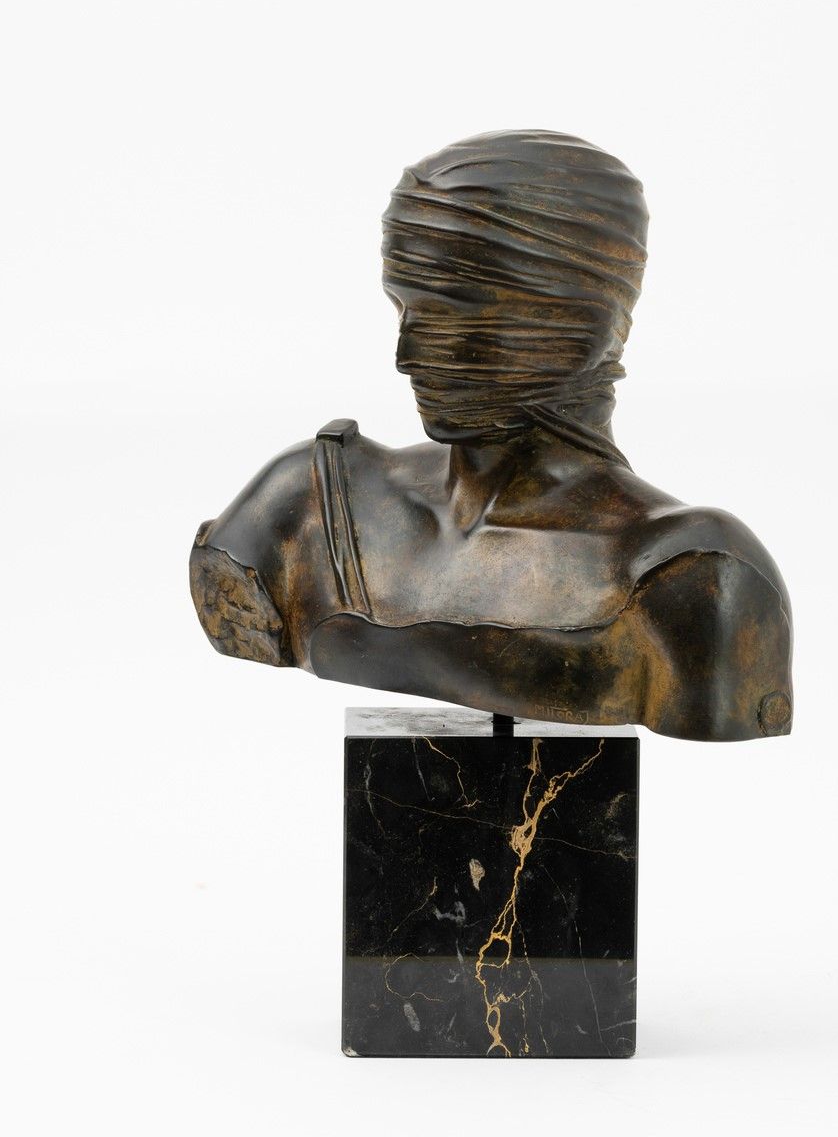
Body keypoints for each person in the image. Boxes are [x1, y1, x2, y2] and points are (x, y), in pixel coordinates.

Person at [190, 130, 792, 740]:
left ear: (584, 319)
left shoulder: (688, 575)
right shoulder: (308, 505)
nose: (406, 356)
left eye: (453, 313)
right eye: (403, 308)